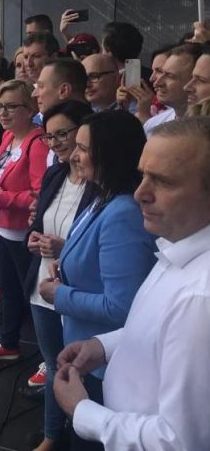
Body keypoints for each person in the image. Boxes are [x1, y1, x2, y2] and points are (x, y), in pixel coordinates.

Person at [54, 117, 210, 450]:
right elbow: (160, 329)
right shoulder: (177, 246)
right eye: (143, 176)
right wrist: (105, 346)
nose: (140, 194)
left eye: (163, 182)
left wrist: (83, 412)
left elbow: (179, 441)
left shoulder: (200, 298)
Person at [40, 110, 157, 450]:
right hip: (88, 358)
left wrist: (60, 294)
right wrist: (67, 261)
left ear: (110, 155)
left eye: (83, 149)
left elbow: (121, 306)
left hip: (104, 369)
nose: (73, 156)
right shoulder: (101, 197)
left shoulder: (122, 213)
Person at [24, 101, 96, 451]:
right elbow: (38, 224)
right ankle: (53, 436)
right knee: (55, 366)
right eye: (49, 137)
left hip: (79, 293)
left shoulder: (100, 185)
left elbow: (98, 244)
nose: (55, 144)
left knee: (82, 370)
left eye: (62, 134)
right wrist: (33, 239)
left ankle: (85, 433)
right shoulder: (55, 175)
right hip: (43, 290)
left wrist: (64, 248)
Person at [0, 80, 48, 363]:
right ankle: (8, 342)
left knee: (34, 297)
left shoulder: (37, 143)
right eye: (0, 107)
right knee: (8, 290)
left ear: (29, 109)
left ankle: (47, 357)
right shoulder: (8, 137)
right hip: (2, 227)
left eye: (11, 107)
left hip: (23, 233)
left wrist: (1, 197)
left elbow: (39, 194)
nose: (3, 113)